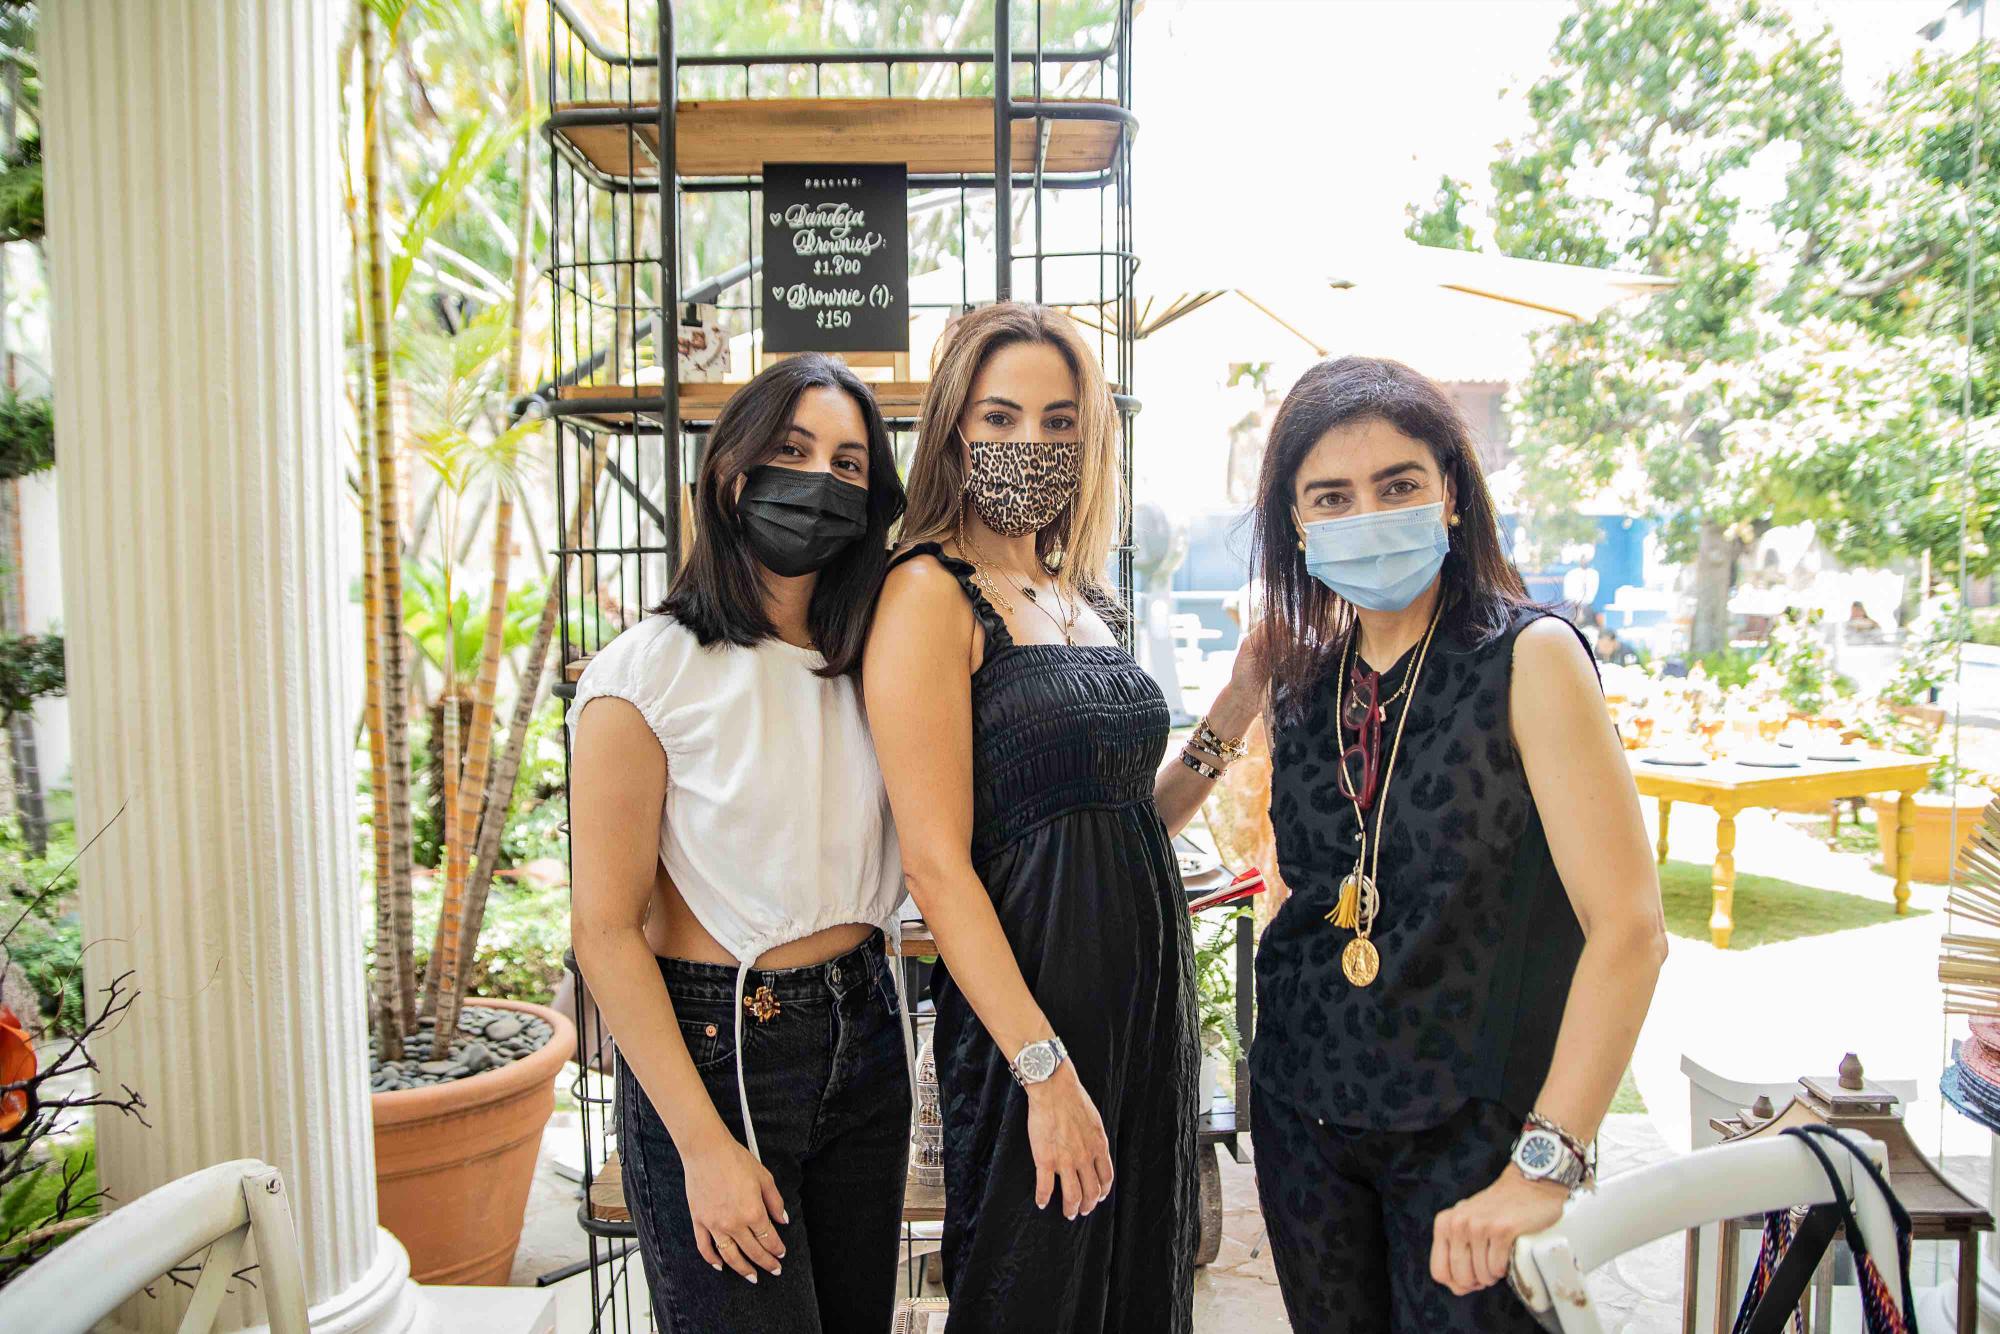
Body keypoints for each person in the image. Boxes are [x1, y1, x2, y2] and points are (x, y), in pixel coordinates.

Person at [1226, 356, 1666, 1333]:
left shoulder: (1529, 656)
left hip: (1472, 1130)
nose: (1366, 514)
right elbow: (1303, 883)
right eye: (1329, 496)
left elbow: (1629, 928)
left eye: (1397, 485)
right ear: (1295, 523)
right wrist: (1233, 699)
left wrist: (1545, 1162)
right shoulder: (1302, 679)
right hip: (1305, 1114)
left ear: (1450, 494)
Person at [864, 302, 1230, 1333]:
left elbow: (1119, 819)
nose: (1032, 443)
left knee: (1132, 1283)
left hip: (1142, 1013)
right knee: (1038, 1293)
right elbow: (934, 863)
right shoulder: (928, 592)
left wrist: (1233, 709)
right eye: (1002, 415)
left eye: (1060, 422)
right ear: (952, 428)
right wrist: (1043, 1066)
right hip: (1039, 1028)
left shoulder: (1075, 593)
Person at [567, 354, 914, 1333]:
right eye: (794, 449)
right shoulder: (647, 672)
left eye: (849, 463)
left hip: (867, 1021)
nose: (820, 481)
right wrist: (701, 1145)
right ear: (732, 472)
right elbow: (602, 929)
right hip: (719, 1045)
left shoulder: (871, 660)